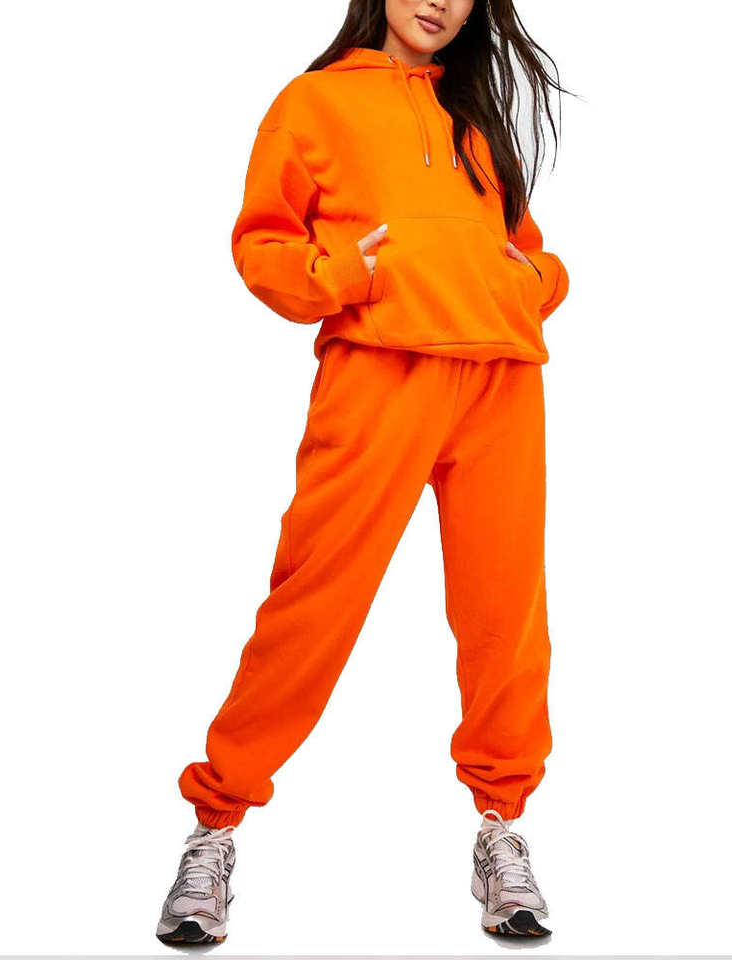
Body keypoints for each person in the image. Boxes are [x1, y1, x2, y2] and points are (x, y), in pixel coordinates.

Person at [156, 0, 570, 944]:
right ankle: (215, 822)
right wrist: (346, 275)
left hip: (501, 381)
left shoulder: (473, 114)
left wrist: (538, 282)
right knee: (314, 600)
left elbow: (526, 248)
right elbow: (262, 246)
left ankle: (501, 824)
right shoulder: (312, 104)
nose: (439, 2)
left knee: (506, 613)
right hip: (378, 372)